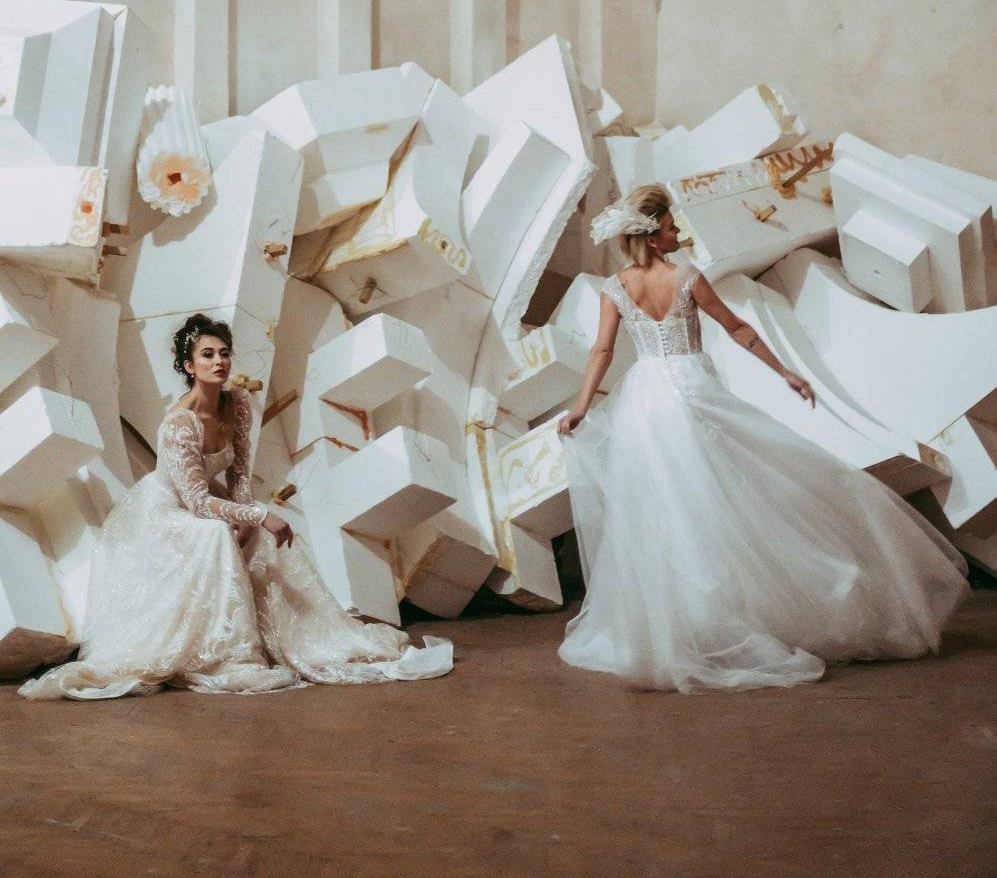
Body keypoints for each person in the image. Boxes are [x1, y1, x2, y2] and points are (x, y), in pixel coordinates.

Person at [556, 186, 968, 693]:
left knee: (666, 508)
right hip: (692, 390)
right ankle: (729, 615)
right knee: (729, 497)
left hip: (646, 401)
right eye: (671, 226)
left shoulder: (615, 287)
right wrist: (786, 373)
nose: (678, 232)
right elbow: (738, 329)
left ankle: (683, 626)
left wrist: (582, 407)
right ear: (653, 236)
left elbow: (601, 350)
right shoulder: (685, 277)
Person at [20, 314, 451, 699]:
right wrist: (260, 515)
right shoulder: (177, 424)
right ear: (189, 366)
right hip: (169, 512)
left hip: (211, 501)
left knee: (260, 540)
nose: (219, 362)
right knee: (214, 535)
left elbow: (240, 475)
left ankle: (301, 639)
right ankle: (228, 654)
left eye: (224, 353)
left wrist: (248, 518)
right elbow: (195, 502)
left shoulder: (237, 404)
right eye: (207, 355)